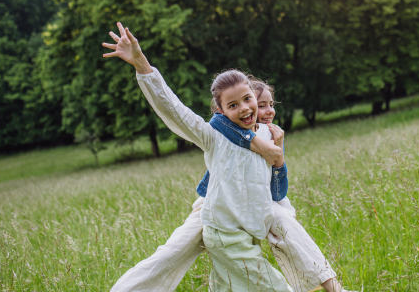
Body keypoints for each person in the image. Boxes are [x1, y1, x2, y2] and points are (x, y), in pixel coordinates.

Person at [103, 23, 350, 292]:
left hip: (247, 230)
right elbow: (174, 110)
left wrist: (279, 161)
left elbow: (277, 192)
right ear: (220, 110)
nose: (245, 108)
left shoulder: (268, 135)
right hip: (223, 232)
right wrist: (141, 62)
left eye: (248, 99)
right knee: (169, 257)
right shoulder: (214, 135)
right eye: (233, 105)